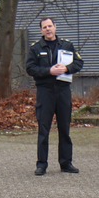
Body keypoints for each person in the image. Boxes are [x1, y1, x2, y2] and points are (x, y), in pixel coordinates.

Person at [26, 18, 83, 176]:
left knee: (64, 128)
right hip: (45, 92)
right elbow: (30, 68)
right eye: (44, 27)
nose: (48, 29)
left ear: (55, 27)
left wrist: (67, 68)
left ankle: (66, 163)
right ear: (41, 31)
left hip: (63, 90)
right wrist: (49, 71)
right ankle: (42, 164)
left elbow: (79, 63)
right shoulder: (36, 48)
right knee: (44, 129)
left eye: (50, 26)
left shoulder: (66, 45)